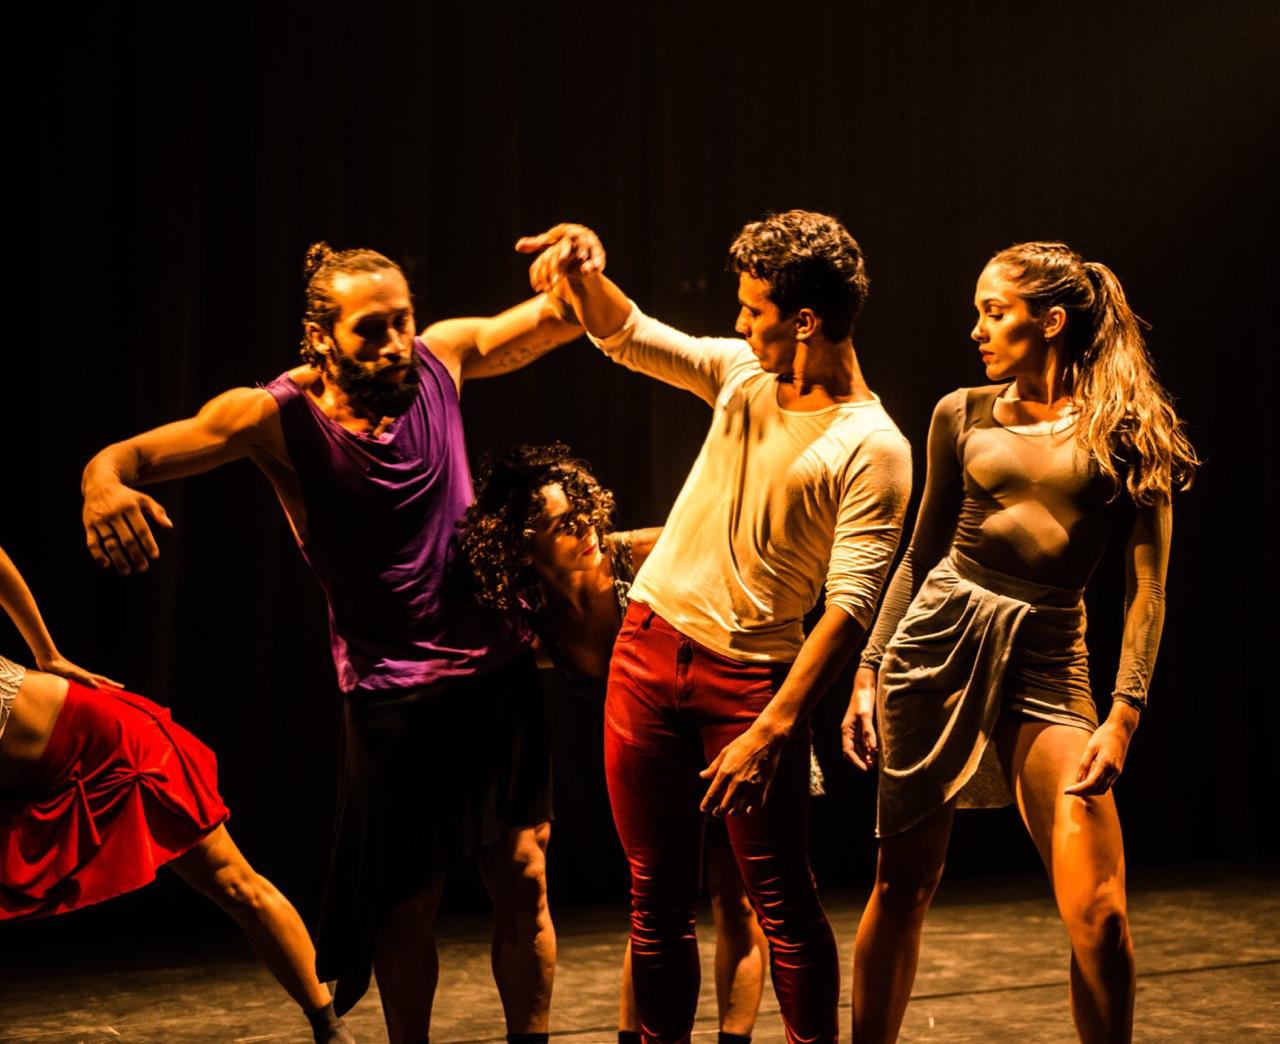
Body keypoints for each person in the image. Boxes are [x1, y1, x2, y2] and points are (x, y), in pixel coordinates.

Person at [80, 242, 585, 1043]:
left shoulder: (443, 359)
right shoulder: (273, 418)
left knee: (524, 877)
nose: (394, 344)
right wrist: (101, 484)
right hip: (393, 701)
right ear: (321, 337)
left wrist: (579, 267)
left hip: (496, 677)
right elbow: (129, 457)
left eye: (402, 322)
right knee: (405, 907)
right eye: (370, 330)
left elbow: (560, 319)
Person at [517, 213, 912, 1042]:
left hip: (751, 683)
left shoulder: (873, 445)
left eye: (753, 308)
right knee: (654, 898)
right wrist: (584, 271)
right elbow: (627, 334)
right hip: (647, 653)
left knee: (782, 901)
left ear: (804, 320)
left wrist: (773, 729)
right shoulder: (740, 374)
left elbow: (851, 606)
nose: (739, 322)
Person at [841, 242, 1198, 1042]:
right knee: (904, 883)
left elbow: (1148, 589)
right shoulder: (959, 412)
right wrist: (868, 669)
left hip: (1048, 653)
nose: (977, 330)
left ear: (1052, 320)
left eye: (994, 312)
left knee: (1100, 913)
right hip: (937, 643)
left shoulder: (1129, 429)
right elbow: (919, 555)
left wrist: (1124, 713)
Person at [459, 443, 770, 1044]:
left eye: (585, 513)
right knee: (656, 903)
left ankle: (734, 1038)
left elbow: (747, 584)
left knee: (735, 897)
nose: (585, 530)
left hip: (721, 728)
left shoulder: (647, 554)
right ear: (523, 545)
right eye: (564, 525)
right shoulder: (535, 617)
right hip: (654, 751)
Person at [0, 544, 354, 1043]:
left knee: (234, 884)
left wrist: (48, 654)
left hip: (116, 749)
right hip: (54, 763)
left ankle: (330, 1027)